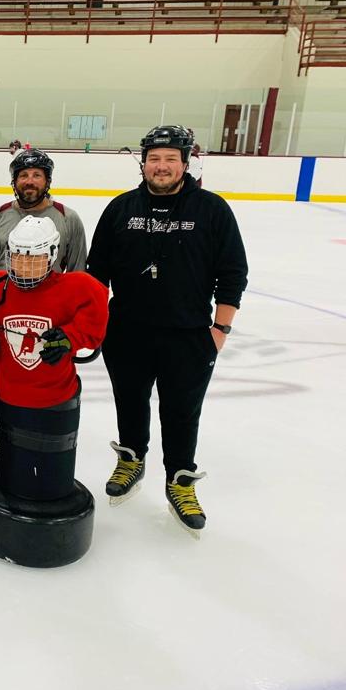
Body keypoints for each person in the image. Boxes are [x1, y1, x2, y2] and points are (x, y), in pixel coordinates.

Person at [87, 124, 248, 534]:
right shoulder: (120, 209)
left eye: (170, 159)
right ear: (143, 163)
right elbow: (96, 274)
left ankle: (180, 478)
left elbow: (233, 274)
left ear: (185, 162)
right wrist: (98, 324)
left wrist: (220, 330)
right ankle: (131, 458)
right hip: (127, 332)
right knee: (131, 401)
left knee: (181, 411)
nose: (161, 166)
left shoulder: (212, 210)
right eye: (154, 159)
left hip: (189, 335)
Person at [0, 216, 108, 502]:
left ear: (52, 256)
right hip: (8, 395)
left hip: (55, 399)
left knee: (48, 472)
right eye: (17, 257)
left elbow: (95, 326)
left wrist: (71, 336)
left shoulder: (77, 287)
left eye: (34, 259)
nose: (23, 266)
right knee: (12, 461)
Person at [0, 148, 89, 469]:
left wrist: (69, 332)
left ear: (47, 180)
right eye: (23, 176)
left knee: (42, 393)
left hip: (47, 325)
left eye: (36, 175)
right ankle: (3, 439)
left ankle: (40, 448)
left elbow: (79, 278)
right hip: (5, 323)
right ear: (14, 181)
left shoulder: (68, 219)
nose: (30, 181)